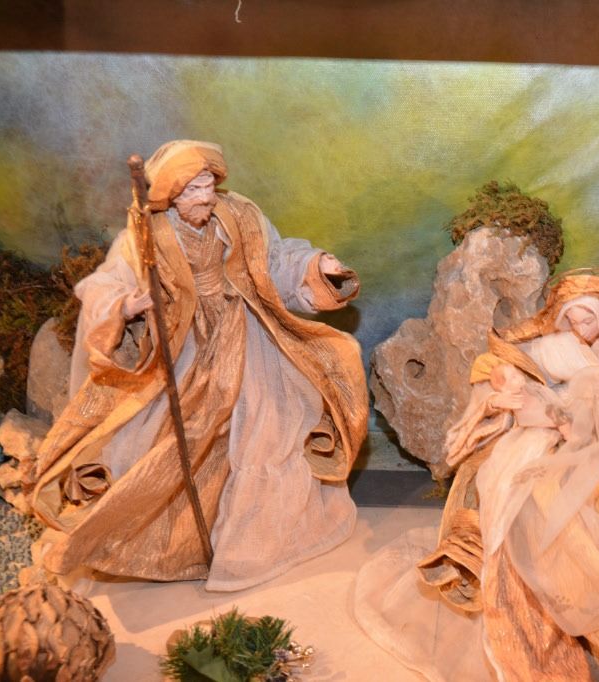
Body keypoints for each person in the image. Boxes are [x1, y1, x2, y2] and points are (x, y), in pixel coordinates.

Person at [355, 270, 599, 682]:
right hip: (549, 437)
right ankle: (545, 605)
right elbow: (507, 370)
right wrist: (505, 394)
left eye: (588, 319)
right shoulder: (553, 347)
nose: (580, 328)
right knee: (522, 491)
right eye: (572, 319)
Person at [28, 140, 368, 591]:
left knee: (263, 431)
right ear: (171, 195)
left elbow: (274, 259)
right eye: (193, 190)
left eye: (209, 186)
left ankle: (246, 546)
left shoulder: (238, 214)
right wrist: (126, 305)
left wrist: (314, 264)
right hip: (183, 343)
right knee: (175, 440)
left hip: (246, 334)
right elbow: (105, 284)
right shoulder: (144, 235)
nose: (205, 197)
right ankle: (181, 546)